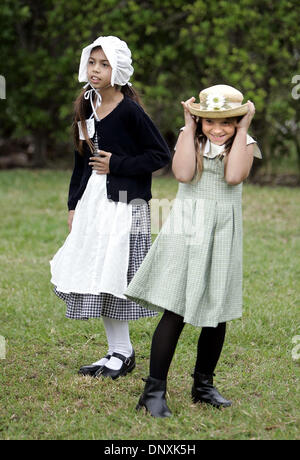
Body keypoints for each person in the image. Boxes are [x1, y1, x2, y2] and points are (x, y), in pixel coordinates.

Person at [126, 84, 262, 417]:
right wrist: (188, 127)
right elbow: (184, 173)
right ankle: (153, 390)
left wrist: (244, 130)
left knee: (216, 311)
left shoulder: (245, 144)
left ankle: (203, 385)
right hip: (187, 230)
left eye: (228, 122)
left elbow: (232, 177)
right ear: (200, 120)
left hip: (222, 231)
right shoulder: (191, 138)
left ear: (238, 121)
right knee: (176, 309)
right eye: (210, 122)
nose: (218, 129)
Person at [50, 36, 170, 380]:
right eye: (92, 63)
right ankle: (118, 351)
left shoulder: (130, 110)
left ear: (118, 70)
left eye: (104, 64)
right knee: (98, 272)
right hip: (93, 204)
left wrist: (117, 163)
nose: (96, 70)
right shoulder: (86, 106)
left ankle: (122, 352)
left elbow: (160, 155)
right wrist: (73, 206)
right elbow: (80, 160)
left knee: (114, 274)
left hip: (125, 204)